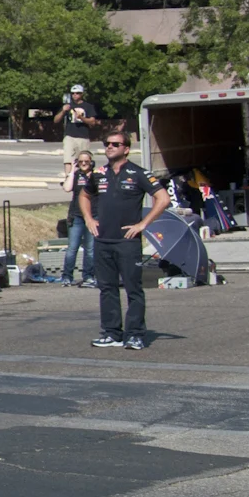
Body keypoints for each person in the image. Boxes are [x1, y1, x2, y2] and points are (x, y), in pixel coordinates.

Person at [79, 129, 169, 350]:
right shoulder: (98, 173)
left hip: (127, 242)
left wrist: (143, 224)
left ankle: (136, 334)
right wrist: (89, 219)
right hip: (103, 240)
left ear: (126, 149)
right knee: (107, 288)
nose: (109, 147)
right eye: (107, 143)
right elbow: (83, 195)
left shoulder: (138, 173)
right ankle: (112, 333)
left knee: (133, 289)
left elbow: (163, 198)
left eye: (115, 144)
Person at [59, 150, 96, 287]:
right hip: (76, 216)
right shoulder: (76, 175)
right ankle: (67, 276)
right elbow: (67, 188)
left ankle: (88, 276)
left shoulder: (96, 176)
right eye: (81, 162)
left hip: (92, 216)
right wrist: (72, 171)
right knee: (72, 248)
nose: (84, 164)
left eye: (87, 161)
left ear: (91, 162)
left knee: (90, 248)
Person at [57, 84, 99, 173]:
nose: (75, 95)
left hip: (83, 136)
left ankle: (83, 178)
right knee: (68, 158)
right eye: (73, 93)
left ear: (82, 94)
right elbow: (56, 120)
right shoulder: (68, 106)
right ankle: (68, 178)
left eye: (77, 93)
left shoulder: (88, 106)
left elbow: (92, 122)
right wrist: (63, 111)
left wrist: (82, 118)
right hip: (70, 136)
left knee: (83, 159)